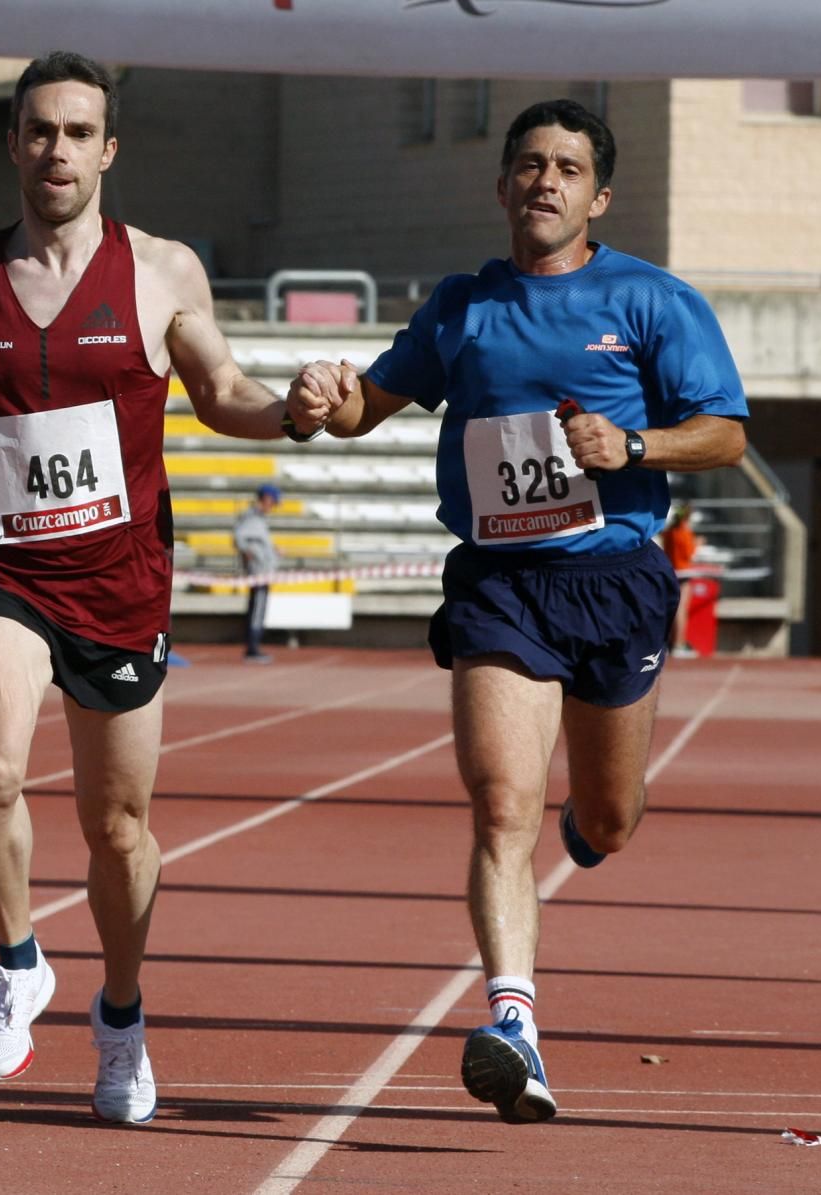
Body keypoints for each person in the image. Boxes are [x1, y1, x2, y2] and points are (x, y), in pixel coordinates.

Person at [0, 50, 323, 1124]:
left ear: (109, 149)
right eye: (39, 131)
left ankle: (123, 1015)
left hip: (122, 584)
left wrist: (286, 410)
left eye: (76, 132)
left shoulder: (160, 273)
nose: (57, 150)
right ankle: (17, 962)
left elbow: (220, 389)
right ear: (13, 144)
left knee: (118, 829)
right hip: (2, 569)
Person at [289, 98, 747, 1125]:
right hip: (500, 585)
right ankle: (514, 1024)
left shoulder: (651, 300)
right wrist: (328, 394)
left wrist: (633, 449)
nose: (546, 180)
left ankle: (591, 823)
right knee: (503, 804)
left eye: (568, 168)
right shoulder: (463, 307)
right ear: (503, 186)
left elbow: (723, 433)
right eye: (530, 164)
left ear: (598, 195)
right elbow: (370, 406)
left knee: (609, 820)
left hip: (616, 580)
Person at [233, 483, 281, 662]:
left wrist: (272, 550)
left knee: (258, 607)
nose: (273, 507)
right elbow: (239, 538)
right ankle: (252, 648)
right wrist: (250, 554)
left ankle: (254, 646)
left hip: (263, 570)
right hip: (259, 571)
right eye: (273, 502)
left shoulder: (258, 518)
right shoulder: (252, 517)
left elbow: (254, 541)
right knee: (257, 609)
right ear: (267, 499)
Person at [660, 501, 703, 658]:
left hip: (672, 570)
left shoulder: (669, 531)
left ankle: (672, 642)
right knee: (681, 609)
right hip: (683, 571)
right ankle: (679, 643)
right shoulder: (684, 532)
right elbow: (689, 553)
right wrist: (697, 543)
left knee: (674, 608)